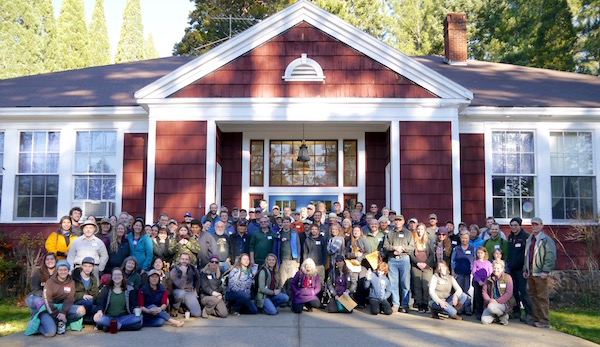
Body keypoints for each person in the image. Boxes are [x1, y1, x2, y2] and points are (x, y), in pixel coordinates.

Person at [27, 260, 86, 336]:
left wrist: (63, 313)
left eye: (65, 270)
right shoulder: (50, 282)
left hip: (61, 307)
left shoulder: (71, 282)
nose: (63, 272)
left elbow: (69, 299)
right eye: (60, 270)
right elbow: (47, 300)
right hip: (48, 309)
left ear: (68, 270)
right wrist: (56, 314)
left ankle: (60, 321)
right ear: (57, 270)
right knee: (51, 333)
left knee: (81, 310)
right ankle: (40, 324)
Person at [523, 217, 556, 328]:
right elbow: (526, 256)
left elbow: (550, 257)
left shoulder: (546, 240)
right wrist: (525, 269)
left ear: (542, 226)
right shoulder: (529, 239)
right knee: (532, 295)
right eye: (533, 224)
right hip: (531, 271)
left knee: (542, 296)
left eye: (537, 224)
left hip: (540, 272)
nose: (534, 226)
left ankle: (545, 320)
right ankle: (536, 318)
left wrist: (545, 271)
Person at [94, 267, 142, 332]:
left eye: (119, 274)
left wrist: (135, 309)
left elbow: (133, 304)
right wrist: (99, 311)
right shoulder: (106, 289)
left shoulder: (129, 289)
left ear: (122, 276)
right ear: (112, 277)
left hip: (124, 317)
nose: (117, 276)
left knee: (139, 317)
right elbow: (100, 303)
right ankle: (120, 326)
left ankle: (111, 326)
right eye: (115, 274)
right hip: (109, 317)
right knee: (99, 319)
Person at [383, 216, 415, 313]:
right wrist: (394, 248)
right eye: (396, 220)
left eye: (399, 220)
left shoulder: (408, 233)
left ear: (403, 222)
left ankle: (405, 304)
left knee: (405, 283)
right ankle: (395, 304)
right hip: (392, 260)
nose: (397, 222)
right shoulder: (390, 233)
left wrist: (402, 249)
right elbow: (385, 246)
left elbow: (412, 247)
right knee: (393, 284)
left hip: (404, 259)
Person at [507, 217, 532, 322]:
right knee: (514, 292)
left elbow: (528, 254)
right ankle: (516, 312)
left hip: (521, 270)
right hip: (512, 269)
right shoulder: (510, 237)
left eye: (515, 225)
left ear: (520, 225)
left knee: (523, 292)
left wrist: (526, 269)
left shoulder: (525, 237)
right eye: (511, 225)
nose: (513, 227)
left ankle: (529, 313)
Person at [409, 223, 436, 313]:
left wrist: (425, 263)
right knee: (417, 285)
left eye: (421, 229)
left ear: (424, 230)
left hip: (427, 266)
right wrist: (417, 263)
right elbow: (411, 253)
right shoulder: (413, 240)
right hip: (416, 266)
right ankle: (419, 303)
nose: (420, 231)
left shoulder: (429, 241)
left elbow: (432, 254)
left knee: (426, 285)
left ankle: (425, 303)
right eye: (418, 229)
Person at [482, 259, 515, 325]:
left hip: (504, 303)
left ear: (502, 269)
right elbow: (484, 292)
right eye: (494, 268)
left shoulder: (508, 278)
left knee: (491, 307)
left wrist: (497, 301)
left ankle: (503, 314)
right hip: (491, 303)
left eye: (498, 268)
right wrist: (489, 300)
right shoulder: (488, 278)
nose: (496, 270)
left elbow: (509, 293)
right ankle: (499, 317)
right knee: (484, 321)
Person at [346, 225, 371, 308]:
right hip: (353, 264)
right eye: (354, 231)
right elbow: (347, 254)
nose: (356, 232)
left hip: (363, 264)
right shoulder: (350, 241)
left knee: (361, 281)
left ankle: (361, 302)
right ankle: (354, 301)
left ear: (360, 232)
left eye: (357, 231)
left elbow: (368, 252)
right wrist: (354, 255)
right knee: (354, 282)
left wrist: (359, 258)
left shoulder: (364, 240)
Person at [170, 252, 201, 317]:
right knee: (181, 293)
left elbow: (198, 279)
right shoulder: (174, 270)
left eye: (186, 259)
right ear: (179, 260)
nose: (184, 261)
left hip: (189, 292)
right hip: (178, 292)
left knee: (197, 314)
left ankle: (185, 307)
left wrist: (196, 289)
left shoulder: (192, 268)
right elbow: (181, 286)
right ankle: (175, 307)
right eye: (183, 259)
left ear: (189, 261)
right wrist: (183, 274)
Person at [451, 231, 474, 315]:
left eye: (466, 238)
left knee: (467, 291)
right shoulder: (457, 249)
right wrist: (453, 270)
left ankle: (467, 308)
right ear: (460, 238)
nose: (464, 240)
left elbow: (474, 260)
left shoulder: (472, 248)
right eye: (463, 238)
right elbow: (452, 260)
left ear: (469, 239)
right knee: (459, 291)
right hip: (458, 272)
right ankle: (460, 307)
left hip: (468, 273)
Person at [72, 257, 99, 323]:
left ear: (93, 267)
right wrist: (82, 296)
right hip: (76, 301)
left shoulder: (93, 279)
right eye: (85, 266)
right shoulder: (74, 277)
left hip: (90, 302)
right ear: (82, 266)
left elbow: (95, 293)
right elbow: (70, 293)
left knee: (98, 308)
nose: (87, 268)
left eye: (90, 266)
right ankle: (85, 319)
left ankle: (86, 319)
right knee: (89, 301)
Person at [275, 217, 301, 286]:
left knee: (292, 281)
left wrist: (298, 260)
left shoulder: (294, 233)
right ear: (282, 223)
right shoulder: (279, 234)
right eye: (284, 222)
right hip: (282, 261)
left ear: (290, 223)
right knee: (282, 282)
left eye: (287, 222)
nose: (286, 224)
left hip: (292, 260)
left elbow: (298, 246)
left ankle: (291, 296)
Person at [302, 224, 327, 292]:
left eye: (315, 229)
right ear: (310, 230)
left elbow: (325, 252)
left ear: (318, 230)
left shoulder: (322, 239)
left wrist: (323, 263)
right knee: (310, 284)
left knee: (320, 284)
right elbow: (305, 252)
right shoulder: (307, 240)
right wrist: (306, 264)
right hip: (310, 266)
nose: (314, 231)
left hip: (320, 265)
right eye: (312, 229)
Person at [472, 246, 492, 320]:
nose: (480, 254)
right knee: (478, 297)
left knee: (486, 296)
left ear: (485, 253)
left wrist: (486, 281)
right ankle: (478, 312)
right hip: (478, 282)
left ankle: (486, 311)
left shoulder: (488, 263)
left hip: (486, 282)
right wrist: (479, 281)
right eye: (478, 253)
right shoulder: (475, 262)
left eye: (481, 253)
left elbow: (490, 272)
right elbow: (474, 272)